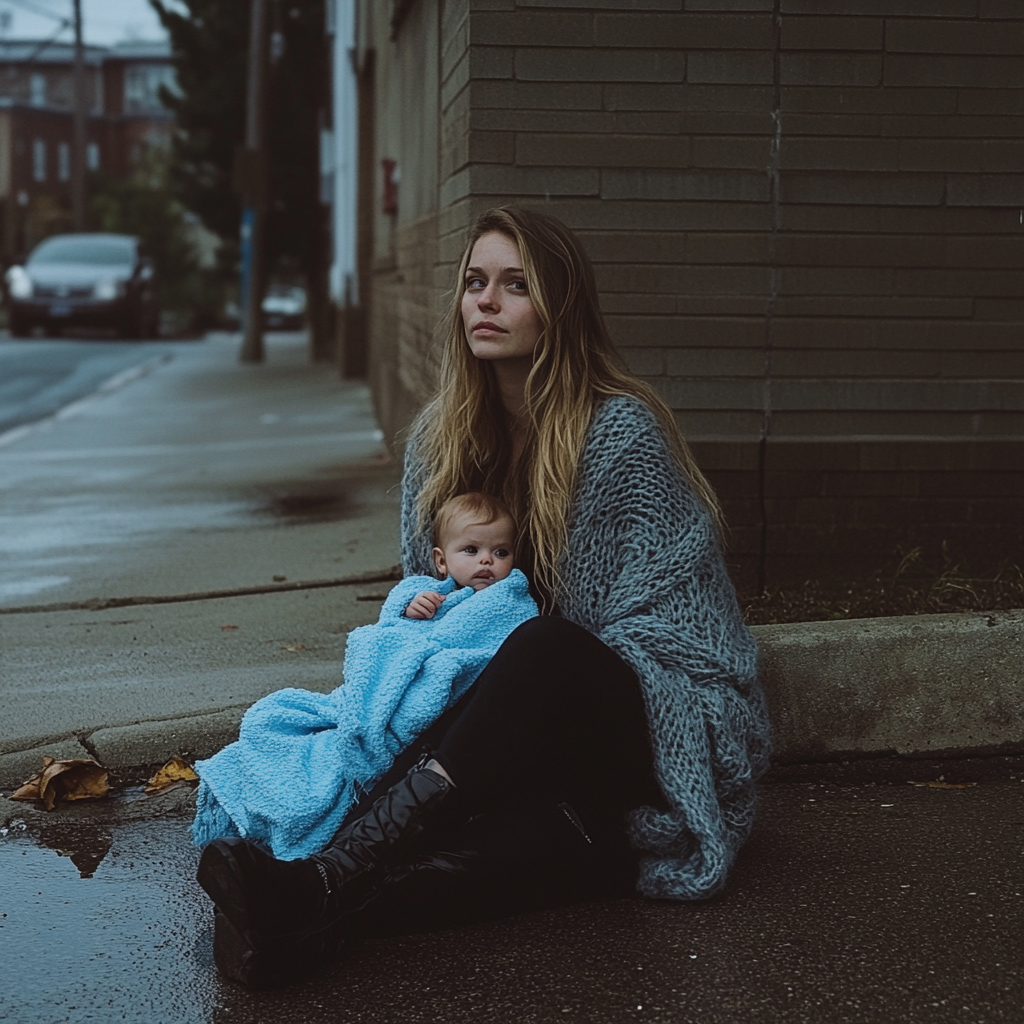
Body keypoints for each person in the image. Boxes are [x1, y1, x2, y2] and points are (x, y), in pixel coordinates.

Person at [196, 206, 771, 989]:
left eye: (514, 286)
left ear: (558, 309)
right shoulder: (439, 439)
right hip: (514, 744)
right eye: (474, 283)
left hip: (630, 720)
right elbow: (427, 617)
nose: (485, 302)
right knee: (543, 842)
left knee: (543, 647)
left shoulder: (620, 436)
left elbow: (683, 631)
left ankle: (332, 869)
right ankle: (311, 916)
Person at [403, 491, 518, 618]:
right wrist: (414, 609)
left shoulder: (514, 596)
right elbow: (396, 617)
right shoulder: (434, 594)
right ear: (442, 561)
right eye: (471, 550)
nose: (486, 559)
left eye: (501, 552)